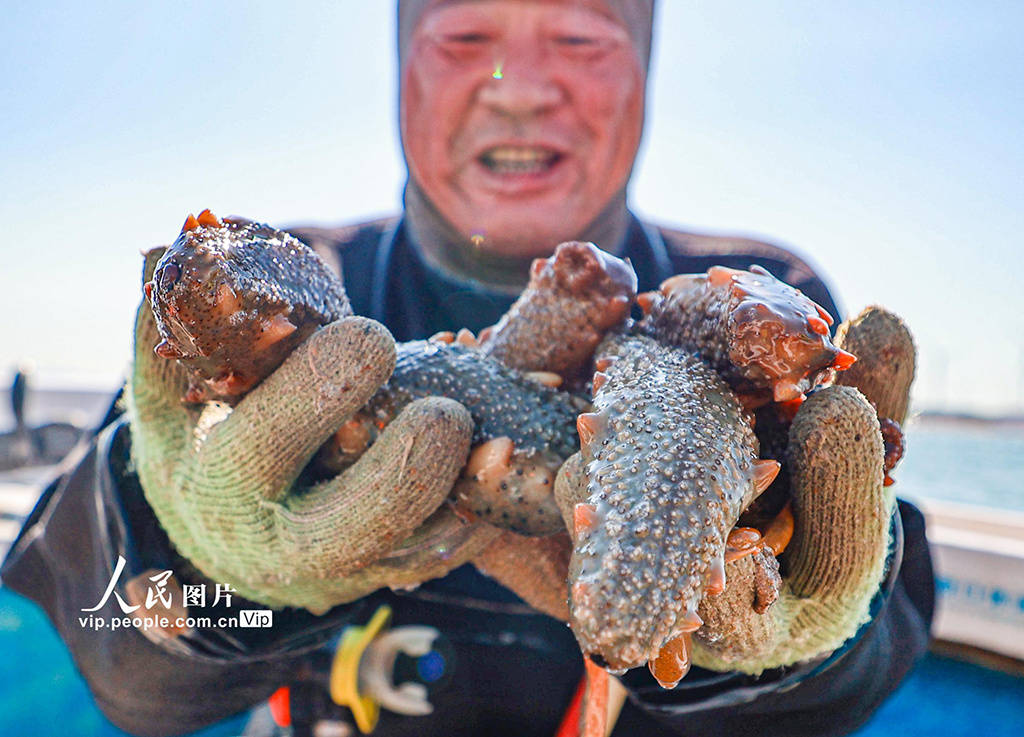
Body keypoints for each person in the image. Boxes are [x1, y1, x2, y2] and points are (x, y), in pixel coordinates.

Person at [1, 2, 934, 736]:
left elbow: (874, 658)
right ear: (399, 71)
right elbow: (118, 648)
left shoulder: (784, 308)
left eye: (579, 35)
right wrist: (200, 559)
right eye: (467, 36)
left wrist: (791, 653)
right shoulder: (270, 300)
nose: (520, 85)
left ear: (646, 77)